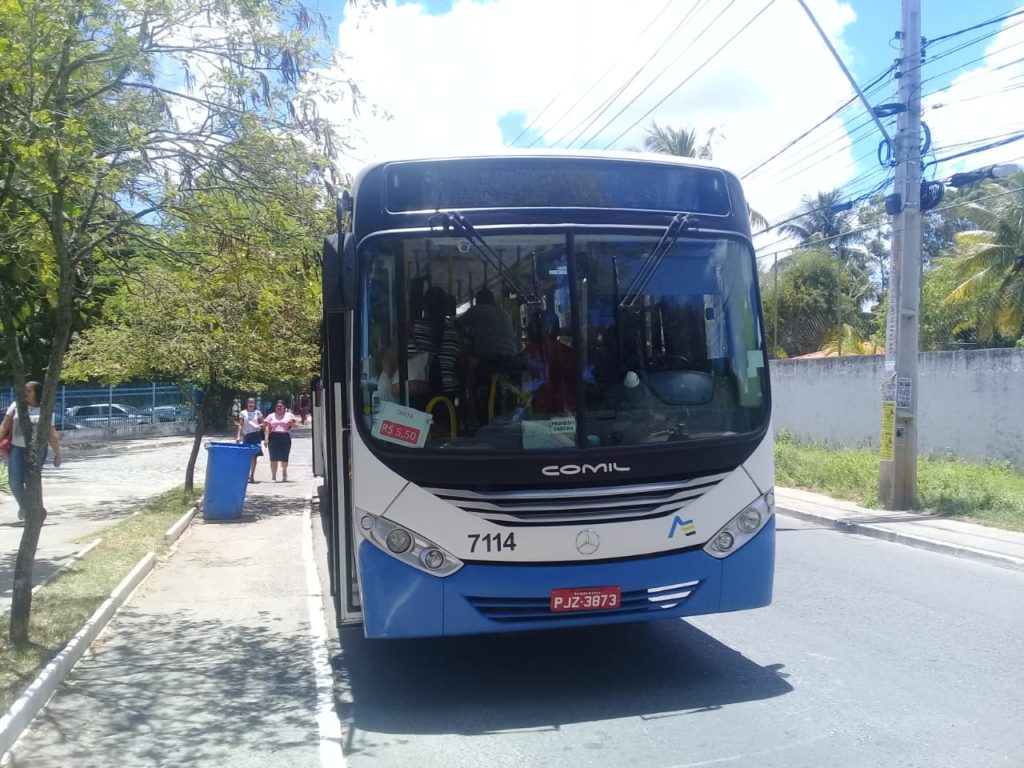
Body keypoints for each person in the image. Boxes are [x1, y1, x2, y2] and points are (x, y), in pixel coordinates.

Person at [0, 381, 62, 521]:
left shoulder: (45, 409)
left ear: (36, 393)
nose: (25, 393)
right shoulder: (16, 406)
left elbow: (51, 434)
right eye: (24, 390)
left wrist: (58, 454)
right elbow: (4, 426)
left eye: (28, 391)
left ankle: (32, 513)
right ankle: (25, 507)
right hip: (17, 448)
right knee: (15, 483)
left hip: (38, 450)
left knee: (31, 482)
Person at [407, 286, 463, 407]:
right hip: (448, 399)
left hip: (419, 395)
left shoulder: (412, 329)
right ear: (446, 308)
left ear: (423, 306)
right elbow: (461, 366)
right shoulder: (454, 334)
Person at [521, 310, 576, 415]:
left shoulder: (531, 351)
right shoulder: (570, 353)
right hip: (569, 410)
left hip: (540, 410)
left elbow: (513, 366)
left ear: (533, 330)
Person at [263, 400, 299, 482]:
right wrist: (266, 438)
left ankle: (284, 471)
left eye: (280, 406)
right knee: (273, 457)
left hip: (285, 436)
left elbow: (297, 426)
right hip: (273, 437)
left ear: (284, 407)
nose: (279, 408)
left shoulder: (289, 415)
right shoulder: (271, 416)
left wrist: (292, 424)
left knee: (284, 456)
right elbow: (267, 428)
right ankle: (273, 476)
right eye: (277, 406)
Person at [235, 397, 264, 483]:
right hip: (247, 435)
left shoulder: (258, 413)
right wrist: (238, 436)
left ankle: (252, 475)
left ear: (254, 404)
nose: (251, 404)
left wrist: (260, 425)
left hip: (256, 434)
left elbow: (263, 422)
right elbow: (240, 425)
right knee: (246, 455)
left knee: (254, 456)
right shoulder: (243, 413)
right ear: (247, 403)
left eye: (252, 403)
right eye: (249, 403)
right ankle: (246, 474)